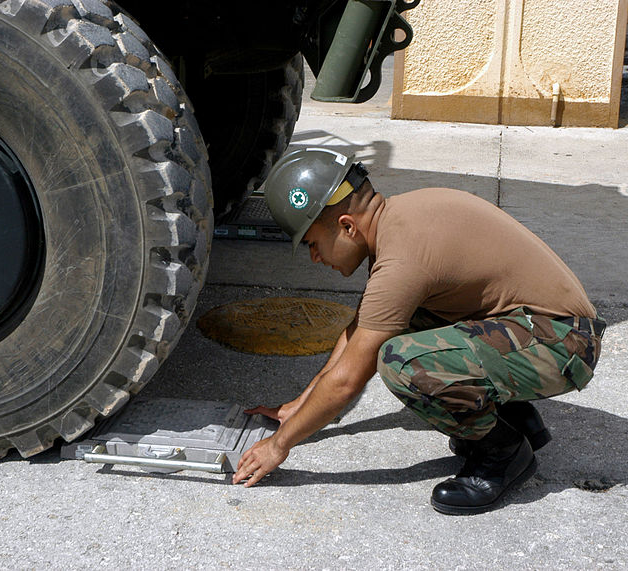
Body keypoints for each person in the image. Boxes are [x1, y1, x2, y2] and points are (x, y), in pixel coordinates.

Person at [232, 148, 604, 515]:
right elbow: (359, 331)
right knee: (402, 324)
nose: (315, 257)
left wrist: (279, 445)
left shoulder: (401, 260)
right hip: (535, 326)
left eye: (313, 244)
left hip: (565, 342)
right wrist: (299, 406)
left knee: (403, 361)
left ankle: (503, 452)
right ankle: (516, 416)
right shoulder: (400, 218)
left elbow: (347, 381)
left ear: (347, 226)